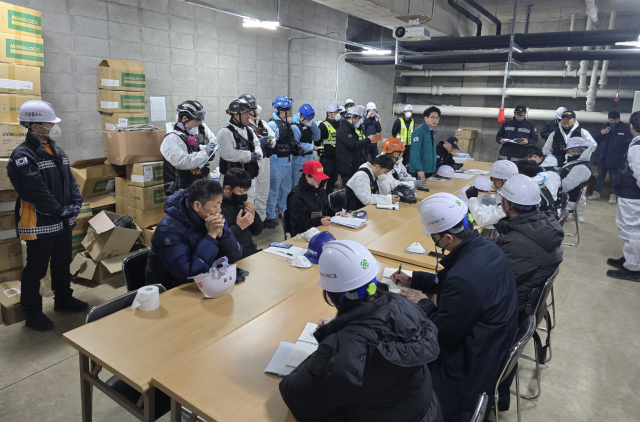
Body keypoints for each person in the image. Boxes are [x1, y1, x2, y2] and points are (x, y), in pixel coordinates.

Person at [280, 240, 443, 422]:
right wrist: (341, 328)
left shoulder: (342, 349)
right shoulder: (405, 305)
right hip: (427, 413)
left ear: (333, 296)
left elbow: (293, 394)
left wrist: (331, 341)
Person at [393, 193, 518, 421]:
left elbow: (441, 335)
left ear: (448, 238)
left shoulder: (464, 278)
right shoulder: (485, 248)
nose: (434, 242)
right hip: (492, 346)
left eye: (434, 238)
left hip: (470, 367)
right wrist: (416, 279)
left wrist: (423, 303)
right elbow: (452, 281)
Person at [7, 100, 86, 332]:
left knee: (62, 263)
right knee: (37, 269)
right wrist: (61, 210)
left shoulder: (55, 149)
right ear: (34, 126)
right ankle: (32, 312)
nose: (52, 126)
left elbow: (70, 181)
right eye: (48, 123)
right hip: (40, 222)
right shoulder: (22, 155)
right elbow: (35, 191)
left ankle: (63, 299)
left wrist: (75, 203)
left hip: (61, 220)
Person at [493, 175, 563, 411]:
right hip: (526, 306)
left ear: (506, 204)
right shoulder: (544, 226)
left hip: (509, 312)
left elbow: (488, 285)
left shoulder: (519, 244)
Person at [145, 179, 242, 290]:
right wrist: (211, 237)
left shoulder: (212, 216)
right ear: (197, 206)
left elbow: (235, 255)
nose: (219, 210)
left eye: (220, 204)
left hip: (206, 282)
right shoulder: (167, 230)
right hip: (172, 290)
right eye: (216, 206)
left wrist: (222, 234)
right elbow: (188, 272)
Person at [607, 111, 640, 281]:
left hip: (633, 196)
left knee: (632, 231)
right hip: (631, 193)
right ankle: (630, 259)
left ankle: (633, 268)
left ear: (631, 126)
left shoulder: (637, 146)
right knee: (631, 230)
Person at [161, 100, 217, 196]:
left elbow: (214, 142)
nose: (197, 125)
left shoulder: (198, 129)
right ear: (184, 118)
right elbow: (184, 162)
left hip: (199, 185)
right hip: (181, 190)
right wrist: (206, 152)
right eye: (195, 121)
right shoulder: (171, 138)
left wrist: (203, 149)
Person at [217, 98, 263, 202]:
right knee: (230, 206)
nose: (249, 117)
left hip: (249, 176)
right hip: (232, 181)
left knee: (249, 204)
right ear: (236, 115)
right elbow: (227, 153)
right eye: (246, 114)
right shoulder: (225, 132)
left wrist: (258, 153)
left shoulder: (249, 130)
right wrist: (250, 156)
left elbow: (257, 145)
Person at [287, 160, 346, 237]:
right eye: (317, 178)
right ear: (307, 176)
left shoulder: (320, 190)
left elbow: (327, 209)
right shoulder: (296, 196)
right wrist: (319, 221)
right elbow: (299, 223)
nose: (320, 180)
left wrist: (335, 213)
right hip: (304, 235)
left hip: (322, 230)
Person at [242, 94, 276, 222]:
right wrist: (258, 143)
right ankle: (249, 222)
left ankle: (261, 220)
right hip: (252, 162)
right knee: (251, 193)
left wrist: (269, 142)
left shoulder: (262, 123)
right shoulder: (244, 126)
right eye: (253, 106)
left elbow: (273, 137)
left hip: (265, 160)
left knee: (263, 192)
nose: (256, 108)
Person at [265, 96, 297, 229]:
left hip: (288, 161)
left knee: (286, 189)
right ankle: (270, 215)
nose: (291, 112)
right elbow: (269, 143)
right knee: (274, 190)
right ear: (281, 111)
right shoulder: (272, 125)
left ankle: (283, 210)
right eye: (288, 110)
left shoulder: (287, 124)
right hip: (276, 162)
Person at [590, 111, 633, 205]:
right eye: (610, 120)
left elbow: (629, 142)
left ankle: (613, 195)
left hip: (616, 158)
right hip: (603, 157)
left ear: (619, 119)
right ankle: (596, 193)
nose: (612, 121)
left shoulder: (625, 128)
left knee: (614, 178)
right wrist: (601, 133)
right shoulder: (603, 127)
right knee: (600, 176)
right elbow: (592, 139)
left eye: (615, 120)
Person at [219, 168, 262, 259]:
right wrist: (238, 227)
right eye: (241, 191)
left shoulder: (241, 205)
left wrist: (254, 216)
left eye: (246, 191)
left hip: (250, 251)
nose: (244, 195)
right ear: (227, 189)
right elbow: (219, 240)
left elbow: (257, 231)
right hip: (233, 257)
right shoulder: (218, 209)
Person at [466, 160, 518, 228]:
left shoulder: (509, 203)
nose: (492, 183)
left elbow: (483, 221)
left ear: (499, 183)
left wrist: (472, 199)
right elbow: (494, 209)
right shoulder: (514, 194)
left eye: (493, 180)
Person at [336, 105, 376, 186]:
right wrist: (368, 140)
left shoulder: (350, 128)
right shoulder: (344, 129)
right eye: (359, 118)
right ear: (352, 118)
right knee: (348, 189)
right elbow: (353, 146)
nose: (360, 121)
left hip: (352, 164)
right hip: (347, 166)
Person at [559, 137, 594, 223]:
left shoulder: (582, 168)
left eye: (570, 152)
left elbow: (565, 186)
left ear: (578, 151)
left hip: (564, 202)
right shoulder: (576, 162)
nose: (568, 154)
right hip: (560, 196)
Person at [291, 104, 319, 188]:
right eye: (309, 119)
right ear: (301, 117)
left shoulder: (307, 126)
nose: (310, 120)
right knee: (298, 183)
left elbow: (317, 137)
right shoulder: (295, 127)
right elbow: (295, 144)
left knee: (309, 181)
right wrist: (310, 147)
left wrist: (313, 124)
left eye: (311, 119)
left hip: (309, 157)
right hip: (299, 159)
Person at [410, 106, 440, 180]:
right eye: (432, 117)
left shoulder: (431, 131)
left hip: (429, 170)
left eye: (437, 118)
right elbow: (415, 152)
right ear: (425, 118)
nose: (435, 120)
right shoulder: (419, 131)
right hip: (420, 171)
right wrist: (419, 169)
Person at [316, 102, 341, 193]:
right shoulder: (323, 126)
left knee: (333, 181)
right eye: (335, 112)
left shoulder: (339, 125)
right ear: (329, 113)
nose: (337, 114)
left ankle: (328, 200)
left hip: (336, 158)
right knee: (322, 181)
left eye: (338, 112)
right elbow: (317, 141)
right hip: (326, 159)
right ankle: (320, 200)